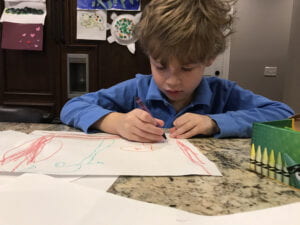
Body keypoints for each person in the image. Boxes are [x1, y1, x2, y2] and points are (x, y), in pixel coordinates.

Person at [60, 0, 294, 142]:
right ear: (149, 56)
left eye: (186, 68)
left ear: (209, 59)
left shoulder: (223, 92)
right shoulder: (136, 89)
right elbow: (71, 107)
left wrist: (214, 122)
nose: (172, 81)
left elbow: (283, 114)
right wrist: (116, 122)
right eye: (161, 67)